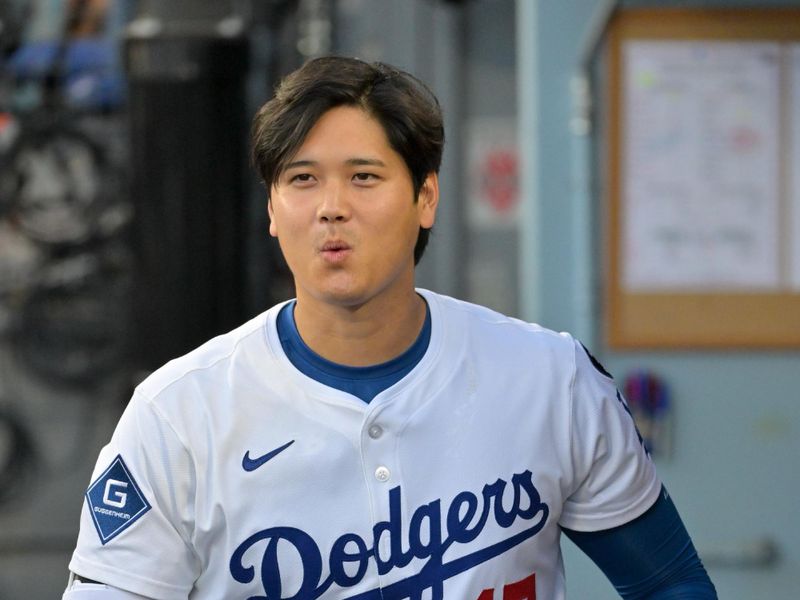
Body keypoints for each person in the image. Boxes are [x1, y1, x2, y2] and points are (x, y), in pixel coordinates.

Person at [63, 56, 717, 600]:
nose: (331, 208)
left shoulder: (550, 379)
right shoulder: (180, 413)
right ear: (272, 209)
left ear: (425, 198)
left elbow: (671, 584)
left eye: (364, 177)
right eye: (302, 180)